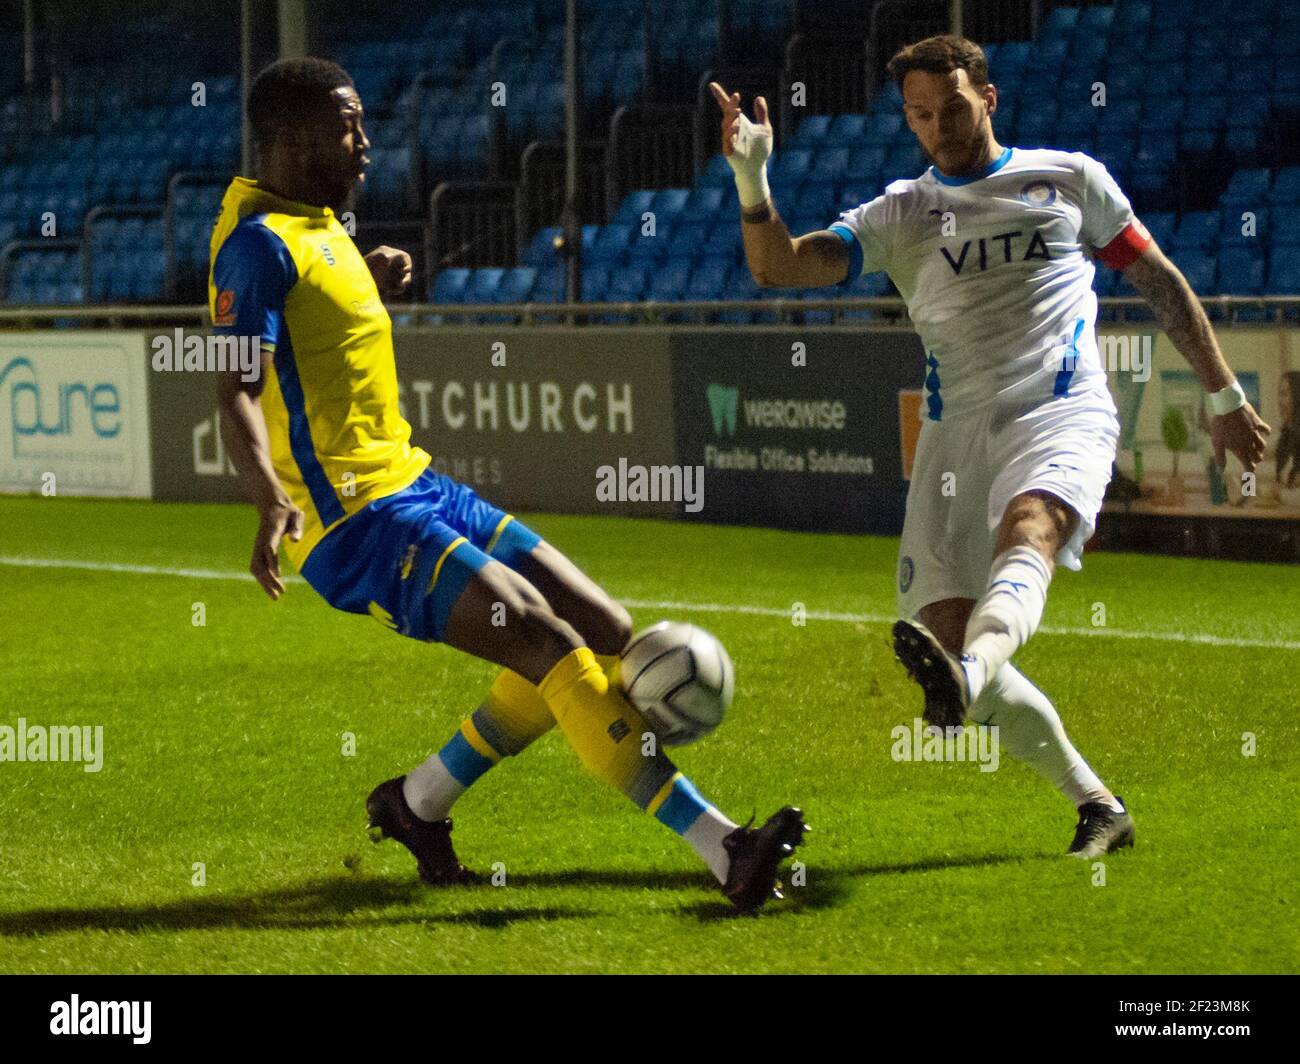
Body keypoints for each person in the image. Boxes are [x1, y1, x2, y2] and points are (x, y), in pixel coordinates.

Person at [211, 57, 805, 912]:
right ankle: (725, 849)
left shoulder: (317, 226)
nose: (366, 139)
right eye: (349, 123)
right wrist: (269, 495)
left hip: (416, 484)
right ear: (296, 137)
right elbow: (231, 383)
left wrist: (367, 282)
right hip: (358, 522)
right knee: (546, 641)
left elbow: (319, 320)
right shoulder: (255, 248)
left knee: (605, 627)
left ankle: (416, 805)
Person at [710, 35, 1270, 857]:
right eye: (920, 115)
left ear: (991, 98)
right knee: (948, 631)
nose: (938, 126)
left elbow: (1160, 281)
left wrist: (1222, 393)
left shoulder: (1068, 180)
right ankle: (1098, 805)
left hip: (1062, 410)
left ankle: (968, 680)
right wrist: (751, 176)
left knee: (1032, 526)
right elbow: (782, 268)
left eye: (953, 108)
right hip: (954, 441)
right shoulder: (901, 212)